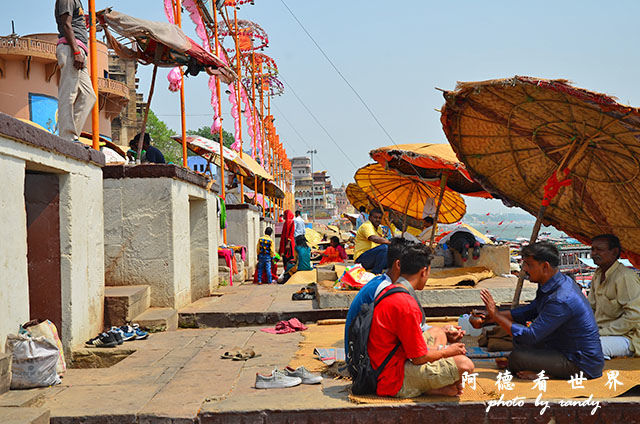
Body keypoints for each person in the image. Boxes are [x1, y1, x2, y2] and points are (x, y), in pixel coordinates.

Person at [479, 241, 604, 379]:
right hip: (561, 349)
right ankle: (545, 369)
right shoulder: (556, 282)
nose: (524, 269)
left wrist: (496, 316)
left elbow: (530, 337)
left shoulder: (561, 299)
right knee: (518, 344)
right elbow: (530, 310)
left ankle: (548, 375)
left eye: (529, 264)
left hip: (581, 364)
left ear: (545, 266)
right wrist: (490, 316)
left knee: (517, 358)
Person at [369, 244, 474, 398]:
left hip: (385, 361)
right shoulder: (406, 304)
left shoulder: (389, 290)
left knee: (438, 332)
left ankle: (437, 384)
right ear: (424, 272)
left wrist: (441, 353)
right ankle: (426, 387)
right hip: (391, 378)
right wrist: (447, 352)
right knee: (465, 365)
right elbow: (418, 358)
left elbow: (412, 348)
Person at [589, 234, 640, 359]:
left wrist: (602, 332)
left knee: (590, 348)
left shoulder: (625, 277)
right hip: (601, 333)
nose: (593, 253)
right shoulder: (597, 275)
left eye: (599, 250)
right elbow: (590, 308)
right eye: (592, 249)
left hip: (628, 336)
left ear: (614, 252)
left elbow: (634, 316)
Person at [55, 0, 97, 142]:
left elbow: (75, 23)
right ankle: (66, 137)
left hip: (79, 51)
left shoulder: (77, 2)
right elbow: (66, 24)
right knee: (69, 93)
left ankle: (72, 136)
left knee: (89, 95)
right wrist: (76, 51)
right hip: (71, 49)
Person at [354, 208, 390, 274]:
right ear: (370, 218)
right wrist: (389, 242)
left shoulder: (379, 228)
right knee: (384, 248)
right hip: (361, 258)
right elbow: (373, 238)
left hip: (372, 258)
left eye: (379, 218)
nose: (377, 220)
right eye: (375, 217)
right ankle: (376, 273)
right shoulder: (366, 226)